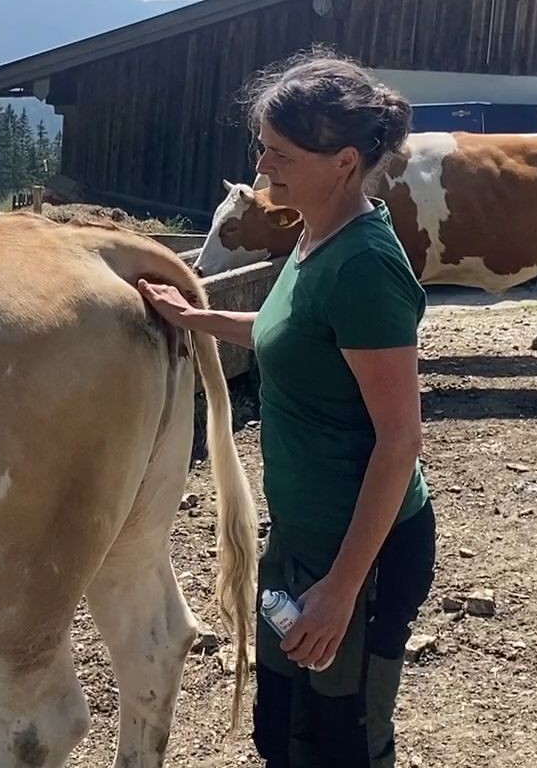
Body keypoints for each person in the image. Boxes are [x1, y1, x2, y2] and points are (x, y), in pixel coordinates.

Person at [139, 49, 436, 768]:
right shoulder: (311, 234)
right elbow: (290, 332)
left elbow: (400, 441)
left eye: (279, 153)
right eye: (262, 148)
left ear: (341, 161)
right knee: (283, 732)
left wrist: (339, 592)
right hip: (302, 541)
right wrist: (196, 316)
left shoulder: (365, 264)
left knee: (344, 746)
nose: (263, 167)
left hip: (358, 555)